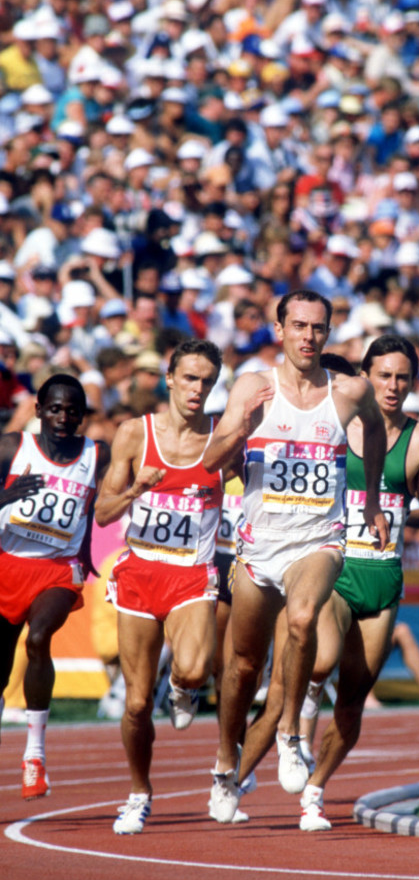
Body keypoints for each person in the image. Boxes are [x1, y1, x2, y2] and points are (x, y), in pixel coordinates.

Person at [203, 288, 388, 824]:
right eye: (300, 326)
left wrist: (371, 499)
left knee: (304, 619)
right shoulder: (252, 386)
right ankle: (223, 763)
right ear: (279, 331)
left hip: (319, 539)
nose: (309, 337)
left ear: (328, 334)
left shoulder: (350, 391)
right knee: (240, 668)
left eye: (319, 328)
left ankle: (288, 733)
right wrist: (242, 426)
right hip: (259, 544)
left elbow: (374, 432)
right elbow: (211, 461)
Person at [296, 334, 419, 830]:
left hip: (384, 577)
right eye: (383, 375)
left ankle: (316, 787)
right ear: (366, 376)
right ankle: (295, 734)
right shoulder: (335, 424)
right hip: (335, 568)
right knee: (321, 658)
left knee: (354, 699)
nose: (393, 385)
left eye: (402, 377)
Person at [95, 338, 224, 835]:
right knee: (133, 702)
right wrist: (135, 490)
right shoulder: (133, 434)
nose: (197, 389)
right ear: (169, 379)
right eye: (190, 378)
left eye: (207, 381)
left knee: (192, 670)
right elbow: (103, 512)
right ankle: (138, 792)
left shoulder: (222, 438)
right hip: (142, 571)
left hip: (193, 572)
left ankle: (184, 689)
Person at [0, 373, 109, 799]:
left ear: (82, 417)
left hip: (58, 570)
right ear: (40, 410)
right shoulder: (12, 448)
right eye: (56, 408)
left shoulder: (97, 454)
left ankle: (35, 754)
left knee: (40, 637)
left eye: (73, 411)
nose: (64, 417)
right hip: (8, 563)